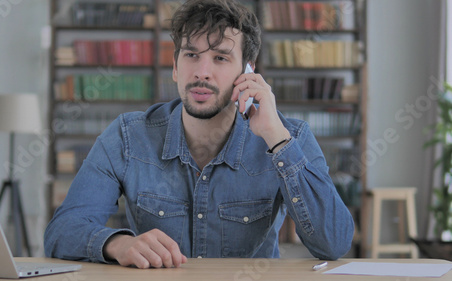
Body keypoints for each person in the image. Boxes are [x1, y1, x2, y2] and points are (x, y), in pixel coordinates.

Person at [44, 0, 354, 269]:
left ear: (247, 72)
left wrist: (277, 140)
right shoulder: (127, 136)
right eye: (191, 55)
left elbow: (334, 243)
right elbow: (62, 232)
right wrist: (117, 245)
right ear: (176, 67)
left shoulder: (289, 136)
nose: (202, 72)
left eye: (220, 58)